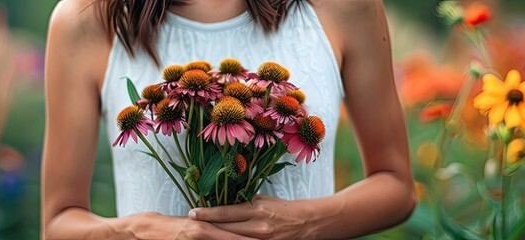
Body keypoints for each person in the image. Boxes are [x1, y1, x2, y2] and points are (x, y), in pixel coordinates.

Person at [41, 0, 416, 238]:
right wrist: (137, 232)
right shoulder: (86, 19)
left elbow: (397, 185)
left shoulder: (345, 7)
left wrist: (305, 223)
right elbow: (59, 221)